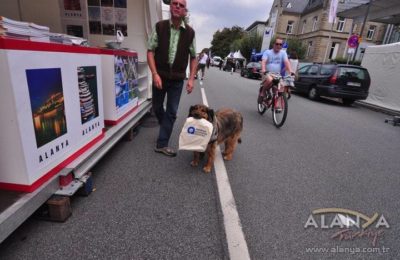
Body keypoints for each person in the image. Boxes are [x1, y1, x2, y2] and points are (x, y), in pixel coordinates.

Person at [147, 0, 197, 157]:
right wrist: (154, 74)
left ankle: (162, 144)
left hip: (177, 79)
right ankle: (165, 126)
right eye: (175, 3)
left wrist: (191, 79)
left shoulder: (190, 33)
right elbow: (150, 51)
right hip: (160, 76)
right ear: (170, 6)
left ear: (184, 11)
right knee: (156, 107)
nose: (177, 7)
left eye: (181, 5)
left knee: (172, 111)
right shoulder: (160, 26)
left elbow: (194, 57)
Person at [258, 37, 294, 102]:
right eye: (277, 44)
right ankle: (262, 93)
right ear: (273, 44)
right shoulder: (267, 52)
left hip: (277, 74)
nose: (278, 46)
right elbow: (263, 62)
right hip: (267, 73)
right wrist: (263, 69)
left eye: (280, 44)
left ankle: (276, 105)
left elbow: (286, 62)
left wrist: (290, 71)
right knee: (270, 80)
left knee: (282, 86)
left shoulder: (283, 53)